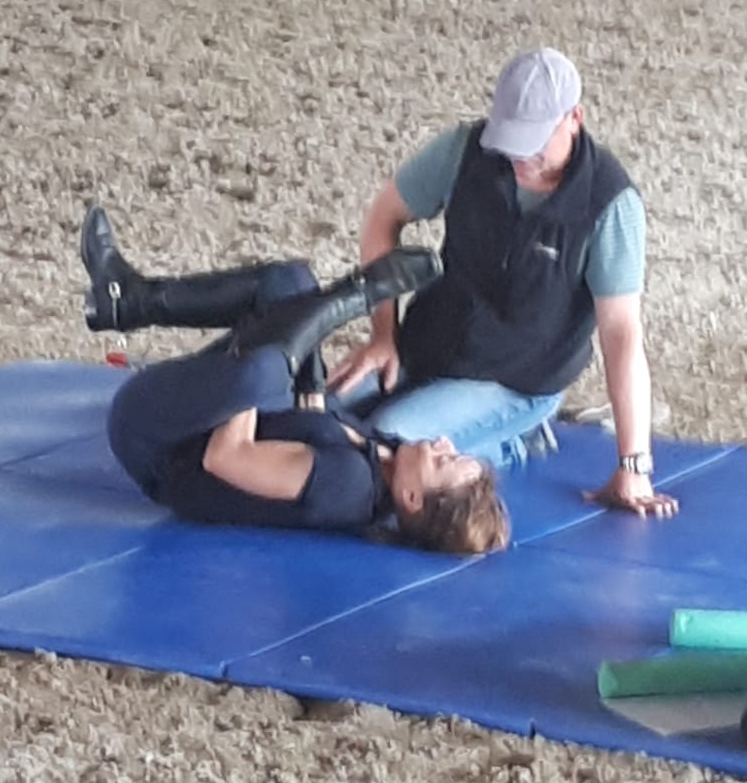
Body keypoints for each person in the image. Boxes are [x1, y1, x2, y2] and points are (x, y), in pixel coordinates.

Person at [328, 47, 679, 519]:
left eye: (534, 143)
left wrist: (633, 464)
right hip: (428, 344)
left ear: (574, 119)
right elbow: (383, 217)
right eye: (511, 140)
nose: (520, 158)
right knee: (317, 410)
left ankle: (512, 439)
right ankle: (485, 434)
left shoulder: (610, 205)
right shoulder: (463, 151)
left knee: (392, 449)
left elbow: (621, 333)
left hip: (516, 381)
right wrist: (382, 335)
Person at [79, 208, 510, 555]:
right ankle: (129, 300)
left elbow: (225, 456)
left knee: (263, 372)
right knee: (290, 284)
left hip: (156, 441)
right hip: (204, 417)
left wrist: (265, 346)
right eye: (454, 452)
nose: (443, 444)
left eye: (443, 462)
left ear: (412, 499)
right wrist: (300, 366)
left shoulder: (348, 487)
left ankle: (354, 295)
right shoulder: (393, 458)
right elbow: (310, 412)